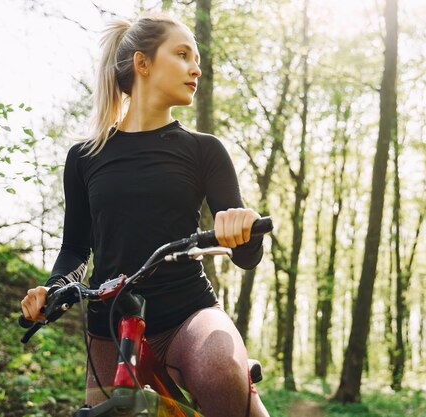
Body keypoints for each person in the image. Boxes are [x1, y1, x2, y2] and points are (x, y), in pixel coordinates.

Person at [20, 12, 270, 417]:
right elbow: (75, 249)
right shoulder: (84, 158)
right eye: (183, 54)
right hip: (110, 324)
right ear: (143, 63)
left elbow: (245, 256)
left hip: (188, 313)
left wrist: (244, 228)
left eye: (198, 58)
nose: (197, 68)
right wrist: (54, 290)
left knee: (222, 370)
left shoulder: (204, 150)